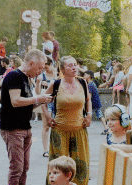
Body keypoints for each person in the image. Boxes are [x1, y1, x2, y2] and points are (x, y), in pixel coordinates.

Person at [0, 49, 52, 185]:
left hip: (25, 127)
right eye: (39, 67)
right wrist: (37, 99)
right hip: (13, 127)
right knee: (17, 168)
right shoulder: (14, 76)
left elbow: (28, 104)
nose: (40, 71)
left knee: (24, 167)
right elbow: (16, 101)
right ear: (31, 63)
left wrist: (42, 100)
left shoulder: (28, 78)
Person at [42, 55, 91, 185]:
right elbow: (43, 101)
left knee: (81, 165)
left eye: (75, 64)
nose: (74, 67)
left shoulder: (82, 82)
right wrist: (47, 117)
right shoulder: (56, 84)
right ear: (62, 69)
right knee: (58, 167)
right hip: (60, 131)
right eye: (70, 65)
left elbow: (88, 100)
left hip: (79, 130)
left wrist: (89, 114)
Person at [36, 57, 58, 157]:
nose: (45, 69)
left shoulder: (57, 75)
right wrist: (38, 83)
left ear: (51, 64)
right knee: (46, 127)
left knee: (57, 126)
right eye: (43, 68)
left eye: (46, 67)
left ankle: (55, 149)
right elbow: (37, 92)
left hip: (56, 102)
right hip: (45, 103)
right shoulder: (42, 75)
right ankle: (45, 150)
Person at [83, 70, 108, 135]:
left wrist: (86, 103)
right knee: (100, 115)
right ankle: (106, 128)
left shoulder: (90, 84)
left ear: (89, 76)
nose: (84, 76)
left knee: (85, 115)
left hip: (93, 103)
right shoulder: (92, 83)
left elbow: (89, 96)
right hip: (96, 102)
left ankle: (106, 128)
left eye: (85, 75)